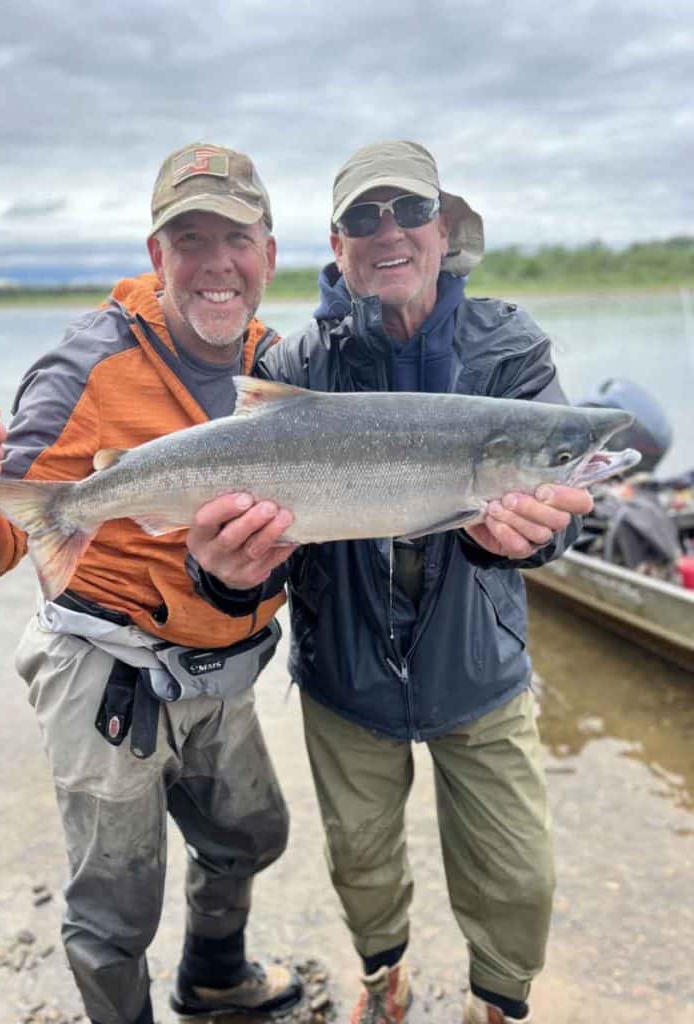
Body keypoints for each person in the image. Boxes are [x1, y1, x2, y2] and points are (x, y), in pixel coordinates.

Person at [185, 140, 595, 1024]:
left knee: (519, 871)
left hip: (480, 671)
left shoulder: (512, 353)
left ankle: (498, 1002)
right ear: (338, 247)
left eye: (409, 212)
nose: (389, 232)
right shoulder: (294, 365)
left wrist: (522, 542)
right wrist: (222, 577)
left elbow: (564, 520)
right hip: (345, 676)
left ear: (445, 231)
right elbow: (241, 564)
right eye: (363, 219)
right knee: (361, 861)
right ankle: (385, 980)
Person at [0, 144, 303, 1024]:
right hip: (105, 669)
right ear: (156, 255)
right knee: (114, 912)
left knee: (251, 835)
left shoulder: (283, 365)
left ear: (271, 254)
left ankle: (212, 981)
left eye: (237, 238)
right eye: (190, 238)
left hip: (221, 660)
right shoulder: (86, 369)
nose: (216, 262)